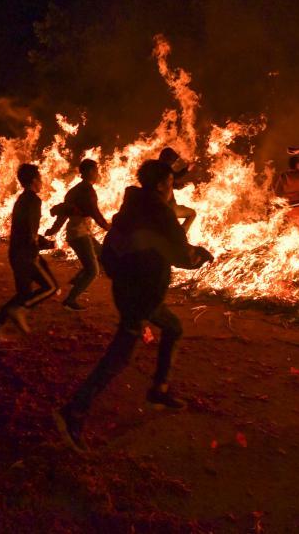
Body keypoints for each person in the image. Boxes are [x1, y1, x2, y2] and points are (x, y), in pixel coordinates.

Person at [54, 159, 213, 453]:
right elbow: (181, 255)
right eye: (169, 183)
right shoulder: (159, 212)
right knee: (120, 355)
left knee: (173, 328)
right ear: (161, 185)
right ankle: (74, 411)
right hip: (141, 292)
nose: (172, 188)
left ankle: (159, 389)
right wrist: (202, 255)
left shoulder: (132, 205)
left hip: (129, 287)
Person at [0, 164, 58, 340]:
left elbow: (23, 229)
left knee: (23, 294)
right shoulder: (33, 200)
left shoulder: (22, 199)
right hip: (28, 255)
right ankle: (20, 310)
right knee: (51, 287)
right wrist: (47, 244)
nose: (42, 181)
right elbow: (30, 233)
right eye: (39, 178)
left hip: (15, 253)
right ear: (33, 181)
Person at [45, 158, 110, 311]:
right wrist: (109, 228)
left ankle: (77, 280)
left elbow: (63, 214)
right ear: (88, 172)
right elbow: (96, 214)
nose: (97, 173)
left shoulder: (74, 190)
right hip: (80, 235)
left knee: (101, 254)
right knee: (93, 270)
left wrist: (53, 229)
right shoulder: (87, 191)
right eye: (95, 170)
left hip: (79, 233)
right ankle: (70, 300)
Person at [158, 147, 197, 232]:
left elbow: (172, 184)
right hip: (168, 207)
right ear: (168, 160)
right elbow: (175, 177)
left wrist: (182, 185)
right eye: (172, 161)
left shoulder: (154, 171)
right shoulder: (165, 170)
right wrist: (187, 169)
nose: (173, 164)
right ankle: (181, 234)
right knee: (192, 213)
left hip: (157, 206)